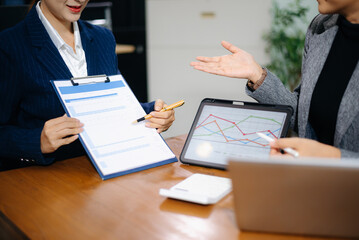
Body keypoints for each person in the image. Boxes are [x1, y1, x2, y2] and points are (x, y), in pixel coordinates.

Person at [0, 0, 175, 170]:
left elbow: (112, 108)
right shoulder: (9, 46)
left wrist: (151, 114)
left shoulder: (103, 38)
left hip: (107, 168)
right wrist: (36, 141)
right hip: (46, 179)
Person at [191, 0, 359, 158]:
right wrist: (257, 75)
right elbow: (303, 117)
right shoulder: (320, 27)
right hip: (311, 181)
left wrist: (333, 158)